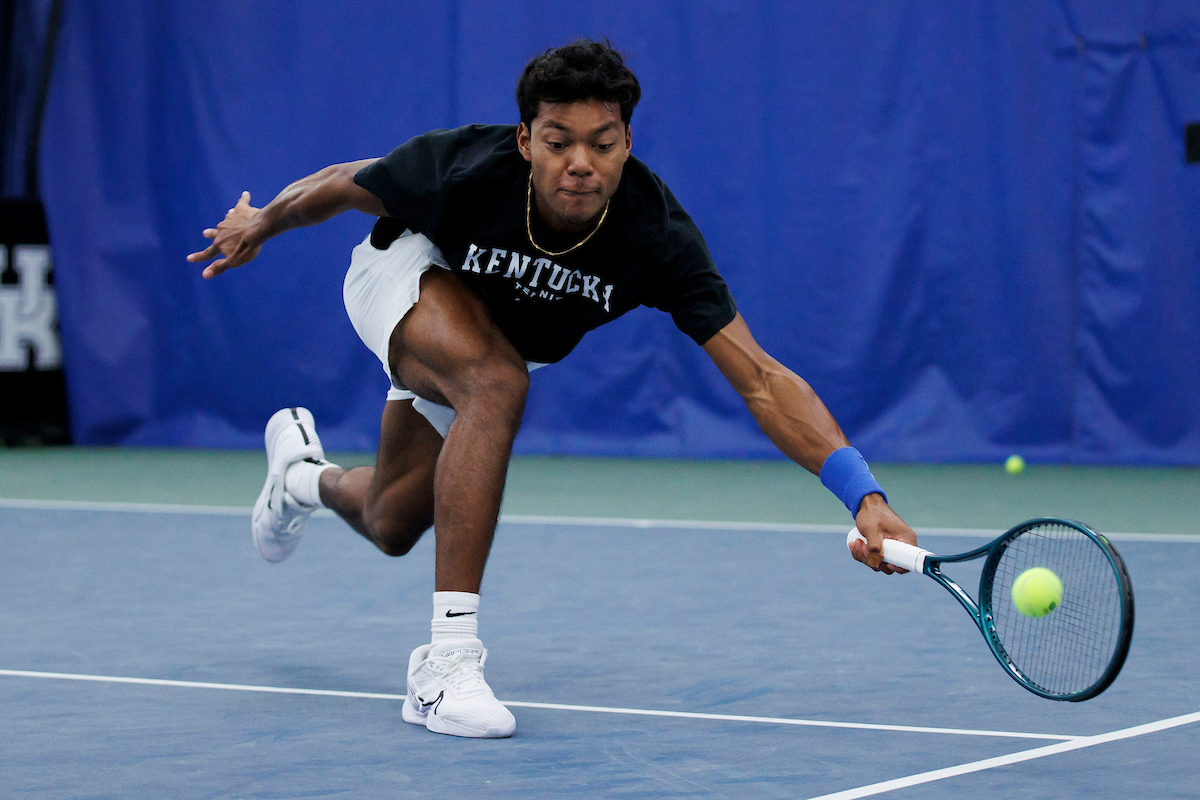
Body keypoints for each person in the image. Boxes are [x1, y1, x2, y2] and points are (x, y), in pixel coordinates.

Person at [187, 39, 918, 739]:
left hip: (489, 343)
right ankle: (446, 665)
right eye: (558, 140)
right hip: (401, 277)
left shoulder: (656, 237)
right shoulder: (465, 167)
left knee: (393, 521)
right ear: (525, 141)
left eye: (601, 143)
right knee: (494, 382)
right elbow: (344, 183)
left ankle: (300, 479)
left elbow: (760, 378)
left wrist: (866, 497)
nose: (580, 164)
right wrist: (264, 221)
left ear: (626, 144)